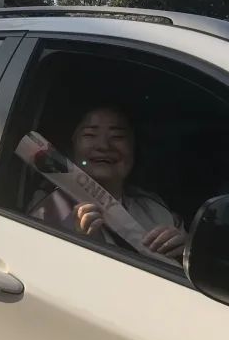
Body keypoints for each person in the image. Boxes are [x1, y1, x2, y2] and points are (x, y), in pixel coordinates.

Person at [28, 105, 187, 261]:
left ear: (134, 147)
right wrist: (76, 243)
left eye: (117, 136)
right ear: (73, 144)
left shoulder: (155, 209)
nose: (103, 146)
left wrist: (184, 253)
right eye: (90, 134)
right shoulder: (48, 208)